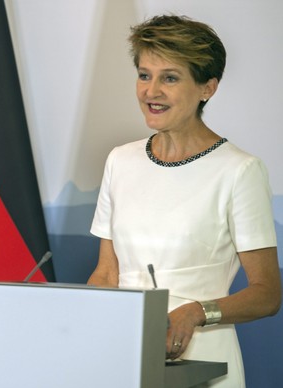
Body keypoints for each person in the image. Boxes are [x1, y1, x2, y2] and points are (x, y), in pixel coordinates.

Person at [87, 15, 281, 387]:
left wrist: (195, 312)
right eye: (145, 75)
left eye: (169, 78)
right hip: (124, 355)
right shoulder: (120, 160)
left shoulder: (239, 171)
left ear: (207, 88)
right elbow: (107, 274)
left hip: (202, 360)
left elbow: (267, 294)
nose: (151, 91)